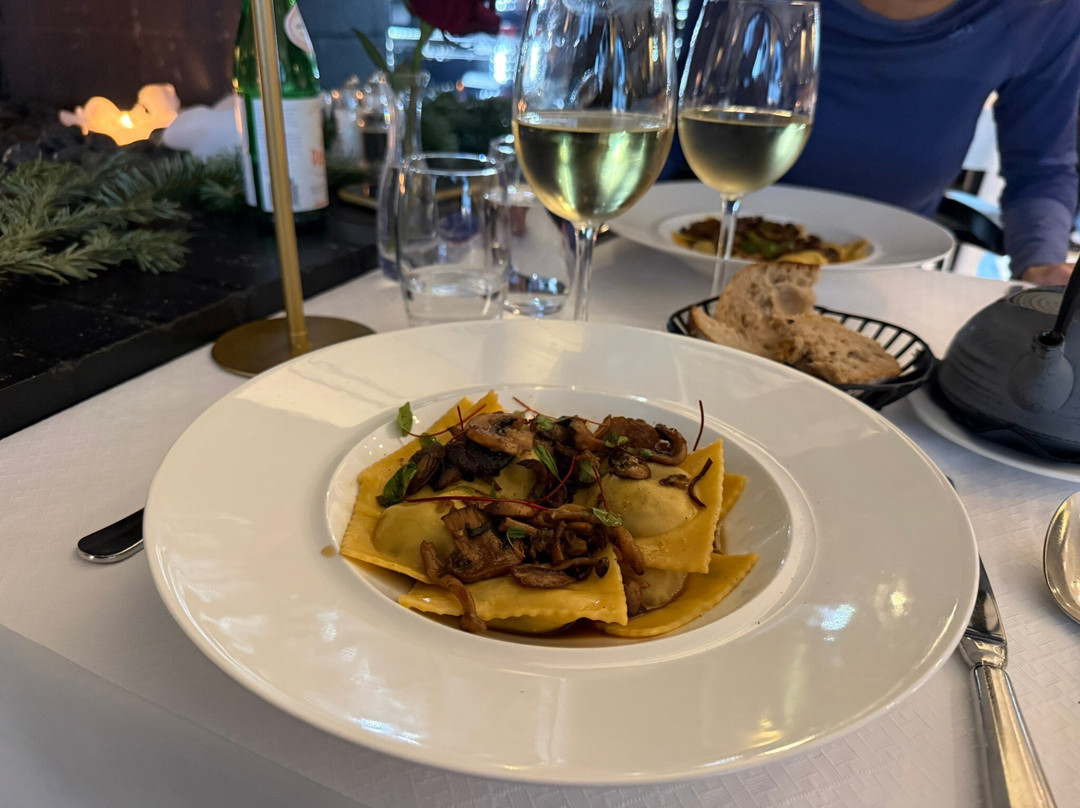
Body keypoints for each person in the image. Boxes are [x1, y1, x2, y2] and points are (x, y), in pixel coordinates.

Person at [669, 0, 1080, 284]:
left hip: (881, 284)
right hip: (682, 257)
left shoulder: (1045, 13)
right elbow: (673, 116)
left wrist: (1041, 264)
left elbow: (1041, 168)